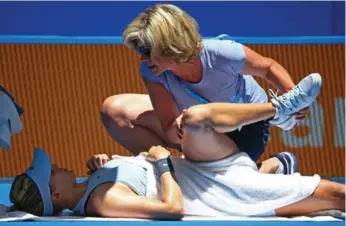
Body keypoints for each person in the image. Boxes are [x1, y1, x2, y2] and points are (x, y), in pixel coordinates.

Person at [8, 88, 344, 220]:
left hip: (204, 167)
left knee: (117, 109)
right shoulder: (102, 202)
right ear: (55, 193)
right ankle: (274, 137)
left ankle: (271, 167)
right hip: (223, 190)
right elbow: (171, 209)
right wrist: (162, 160)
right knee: (336, 195)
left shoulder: (93, 180)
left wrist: (107, 164)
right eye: (51, 171)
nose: (56, 165)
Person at [101, 3, 321, 175]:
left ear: (167, 44)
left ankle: (278, 134)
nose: (142, 58)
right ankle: (169, 172)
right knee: (114, 110)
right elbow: (169, 127)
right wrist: (180, 130)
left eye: (147, 50)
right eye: (139, 50)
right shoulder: (151, 71)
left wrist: (292, 93)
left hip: (246, 129)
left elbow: (268, 67)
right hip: (198, 126)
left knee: (198, 123)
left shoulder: (222, 53)